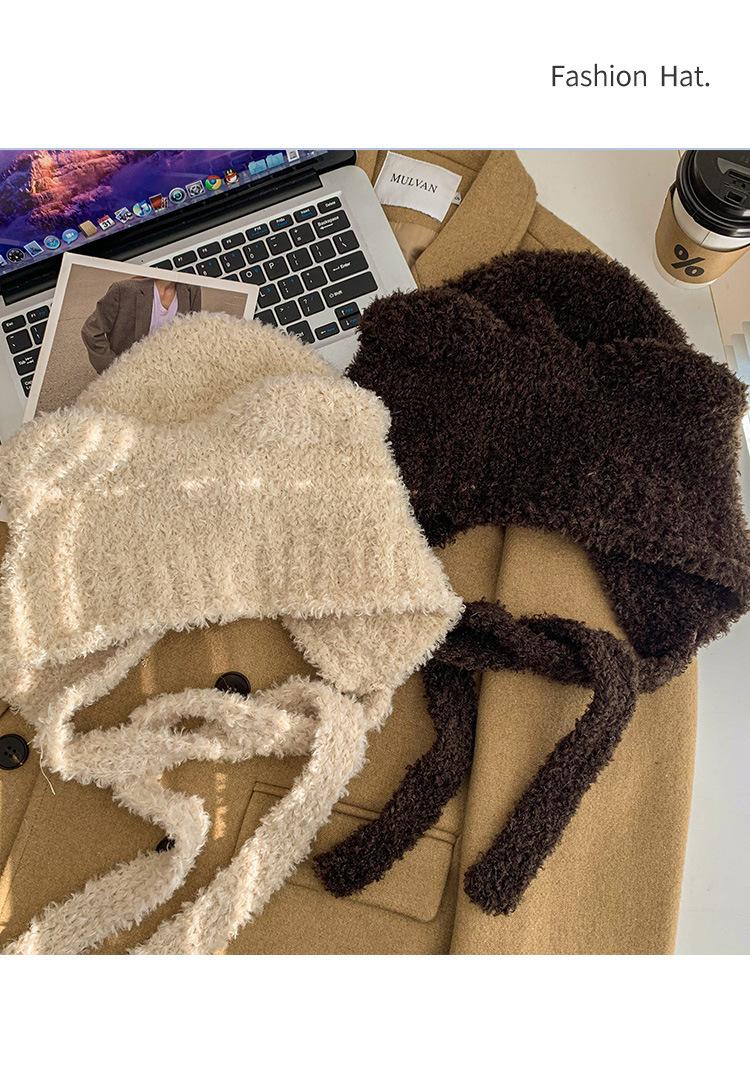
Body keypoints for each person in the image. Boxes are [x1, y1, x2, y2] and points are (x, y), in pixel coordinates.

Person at [81, 276, 201, 373]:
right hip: (132, 373)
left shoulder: (192, 288)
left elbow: (193, 333)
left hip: (170, 372)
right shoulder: (124, 290)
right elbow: (92, 331)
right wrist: (113, 369)